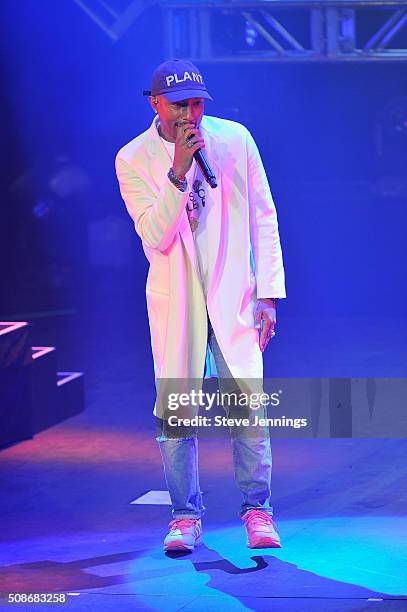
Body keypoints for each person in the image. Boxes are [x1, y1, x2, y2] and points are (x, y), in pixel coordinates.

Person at [115, 59, 286, 553]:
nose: (190, 114)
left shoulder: (234, 139)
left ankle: (258, 510)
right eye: (179, 104)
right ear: (155, 104)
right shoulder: (133, 158)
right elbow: (154, 233)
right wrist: (177, 173)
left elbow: (263, 216)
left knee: (247, 406)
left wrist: (269, 293)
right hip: (178, 301)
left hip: (234, 293)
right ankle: (185, 516)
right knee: (175, 413)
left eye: (196, 103)